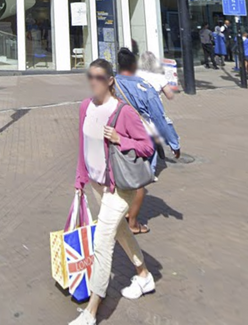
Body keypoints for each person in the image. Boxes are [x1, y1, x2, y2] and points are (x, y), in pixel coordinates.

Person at [71, 59, 156, 325]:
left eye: (99, 77)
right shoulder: (86, 107)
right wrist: (79, 179)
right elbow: (83, 145)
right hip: (97, 185)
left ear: (109, 80)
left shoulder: (123, 112)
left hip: (119, 188)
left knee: (102, 242)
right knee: (119, 231)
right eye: (90, 77)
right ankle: (143, 275)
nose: (93, 82)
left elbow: (148, 147)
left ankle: (91, 312)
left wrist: (122, 139)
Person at [115, 47, 181, 235]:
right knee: (141, 181)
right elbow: (160, 118)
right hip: (142, 136)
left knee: (120, 174)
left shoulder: (112, 84)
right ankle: (133, 222)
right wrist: (173, 143)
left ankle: (123, 213)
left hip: (117, 135)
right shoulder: (144, 87)